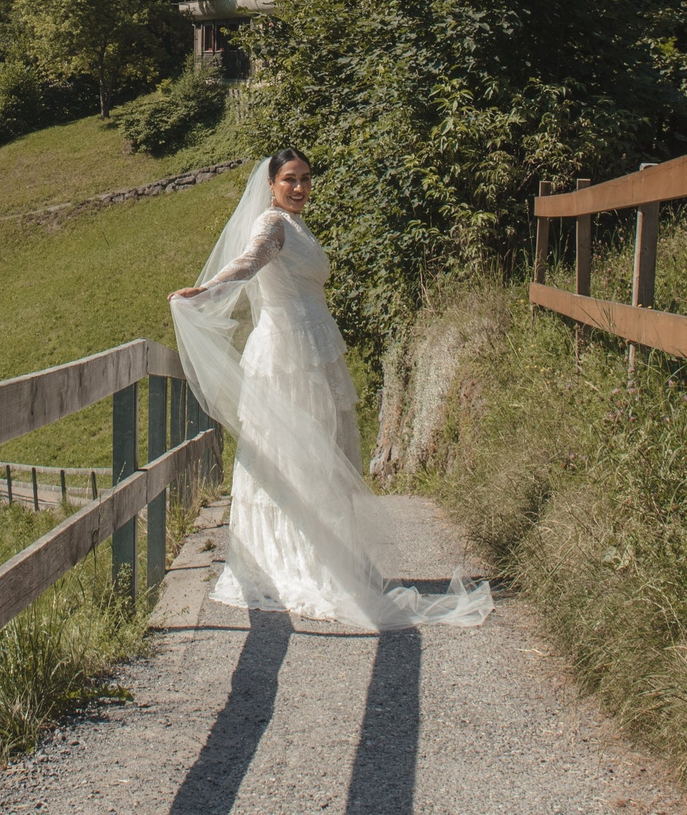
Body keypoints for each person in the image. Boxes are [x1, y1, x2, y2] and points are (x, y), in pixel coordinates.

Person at [169, 151, 491, 629]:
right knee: (291, 455)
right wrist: (206, 291)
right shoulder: (272, 224)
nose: (298, 188)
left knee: (318, 452)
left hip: (313, 348)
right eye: (289, 180)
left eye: (304, 179)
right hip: (286, 357)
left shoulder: (297, 224)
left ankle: (323, 557)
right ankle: (285, 561)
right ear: (272, 185)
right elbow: (248, 263)